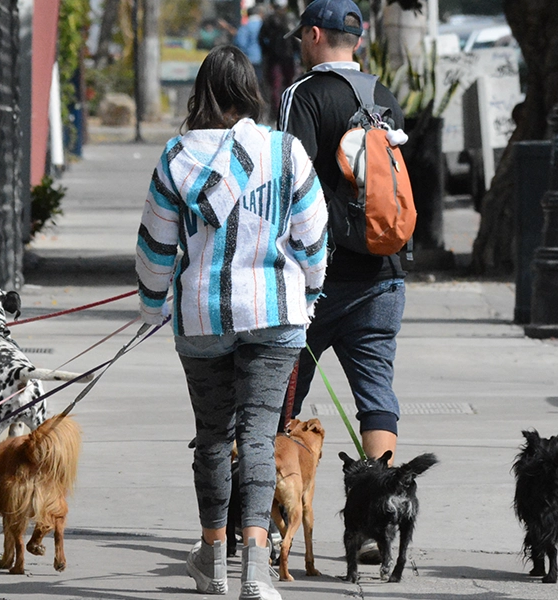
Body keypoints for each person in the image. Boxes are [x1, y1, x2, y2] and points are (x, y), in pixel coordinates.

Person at [135, 45, 328, 600]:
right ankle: (258, 573)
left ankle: (213, 561)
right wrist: (309, 291)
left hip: (202, 318)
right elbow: (313, 236)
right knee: (260, 438)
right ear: (250, 92)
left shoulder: (176, 158)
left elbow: (154, 248)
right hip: (273, 314)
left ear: (202, 93)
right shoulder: (285, 152)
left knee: (214, 439)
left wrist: (153, 308)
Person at [278, 0, 406, 496]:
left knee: (282, 398)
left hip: (315, 280)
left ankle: (269, 520)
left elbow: (290, 182)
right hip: (383, 273)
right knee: (376, 394)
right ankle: (379, 516)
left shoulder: (302, 95)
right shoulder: (383, 95)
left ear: (313, 35)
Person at [259, 4, 300, 121]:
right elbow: (295, 39)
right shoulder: (288, 19)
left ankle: (277, 111)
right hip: (286, 57)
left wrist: (267, 52)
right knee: (286, 84)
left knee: (276, 86)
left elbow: (261, 39)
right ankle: (284, 110)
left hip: (277, 58)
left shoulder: (271, 20)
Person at [234, 5, 267, 106]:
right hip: (263, 59)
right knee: (262, 83)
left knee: (249, 83)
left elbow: (240, 42)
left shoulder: (245, 27)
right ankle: (262, 104)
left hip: (249, 59)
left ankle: (251, 104)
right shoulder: (264, 25)